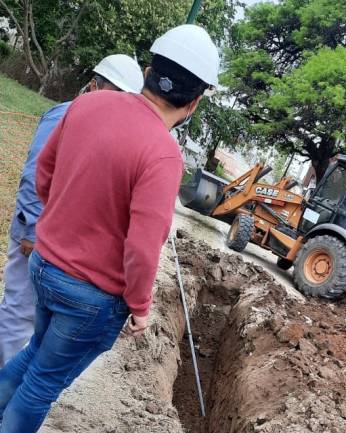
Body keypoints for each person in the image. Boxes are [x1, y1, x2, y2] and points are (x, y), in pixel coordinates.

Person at [0, 24, 218, 433]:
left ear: (150, 70)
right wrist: (139, 306)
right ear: (195, 103)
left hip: (45, 265)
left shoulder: (87, 105)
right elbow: (142, 246)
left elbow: (45, 175)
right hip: (90, 295)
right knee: (42, 383)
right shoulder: (163, 154)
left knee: (33, 357)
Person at [0, 54, 144, 368]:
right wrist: (30, 230)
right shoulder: (64, 115)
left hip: (56, 245)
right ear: (93, 86)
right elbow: (34, 176)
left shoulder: (102, 129)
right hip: (35, 236)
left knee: (33, 322)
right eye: (113, 97)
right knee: (17, 314)